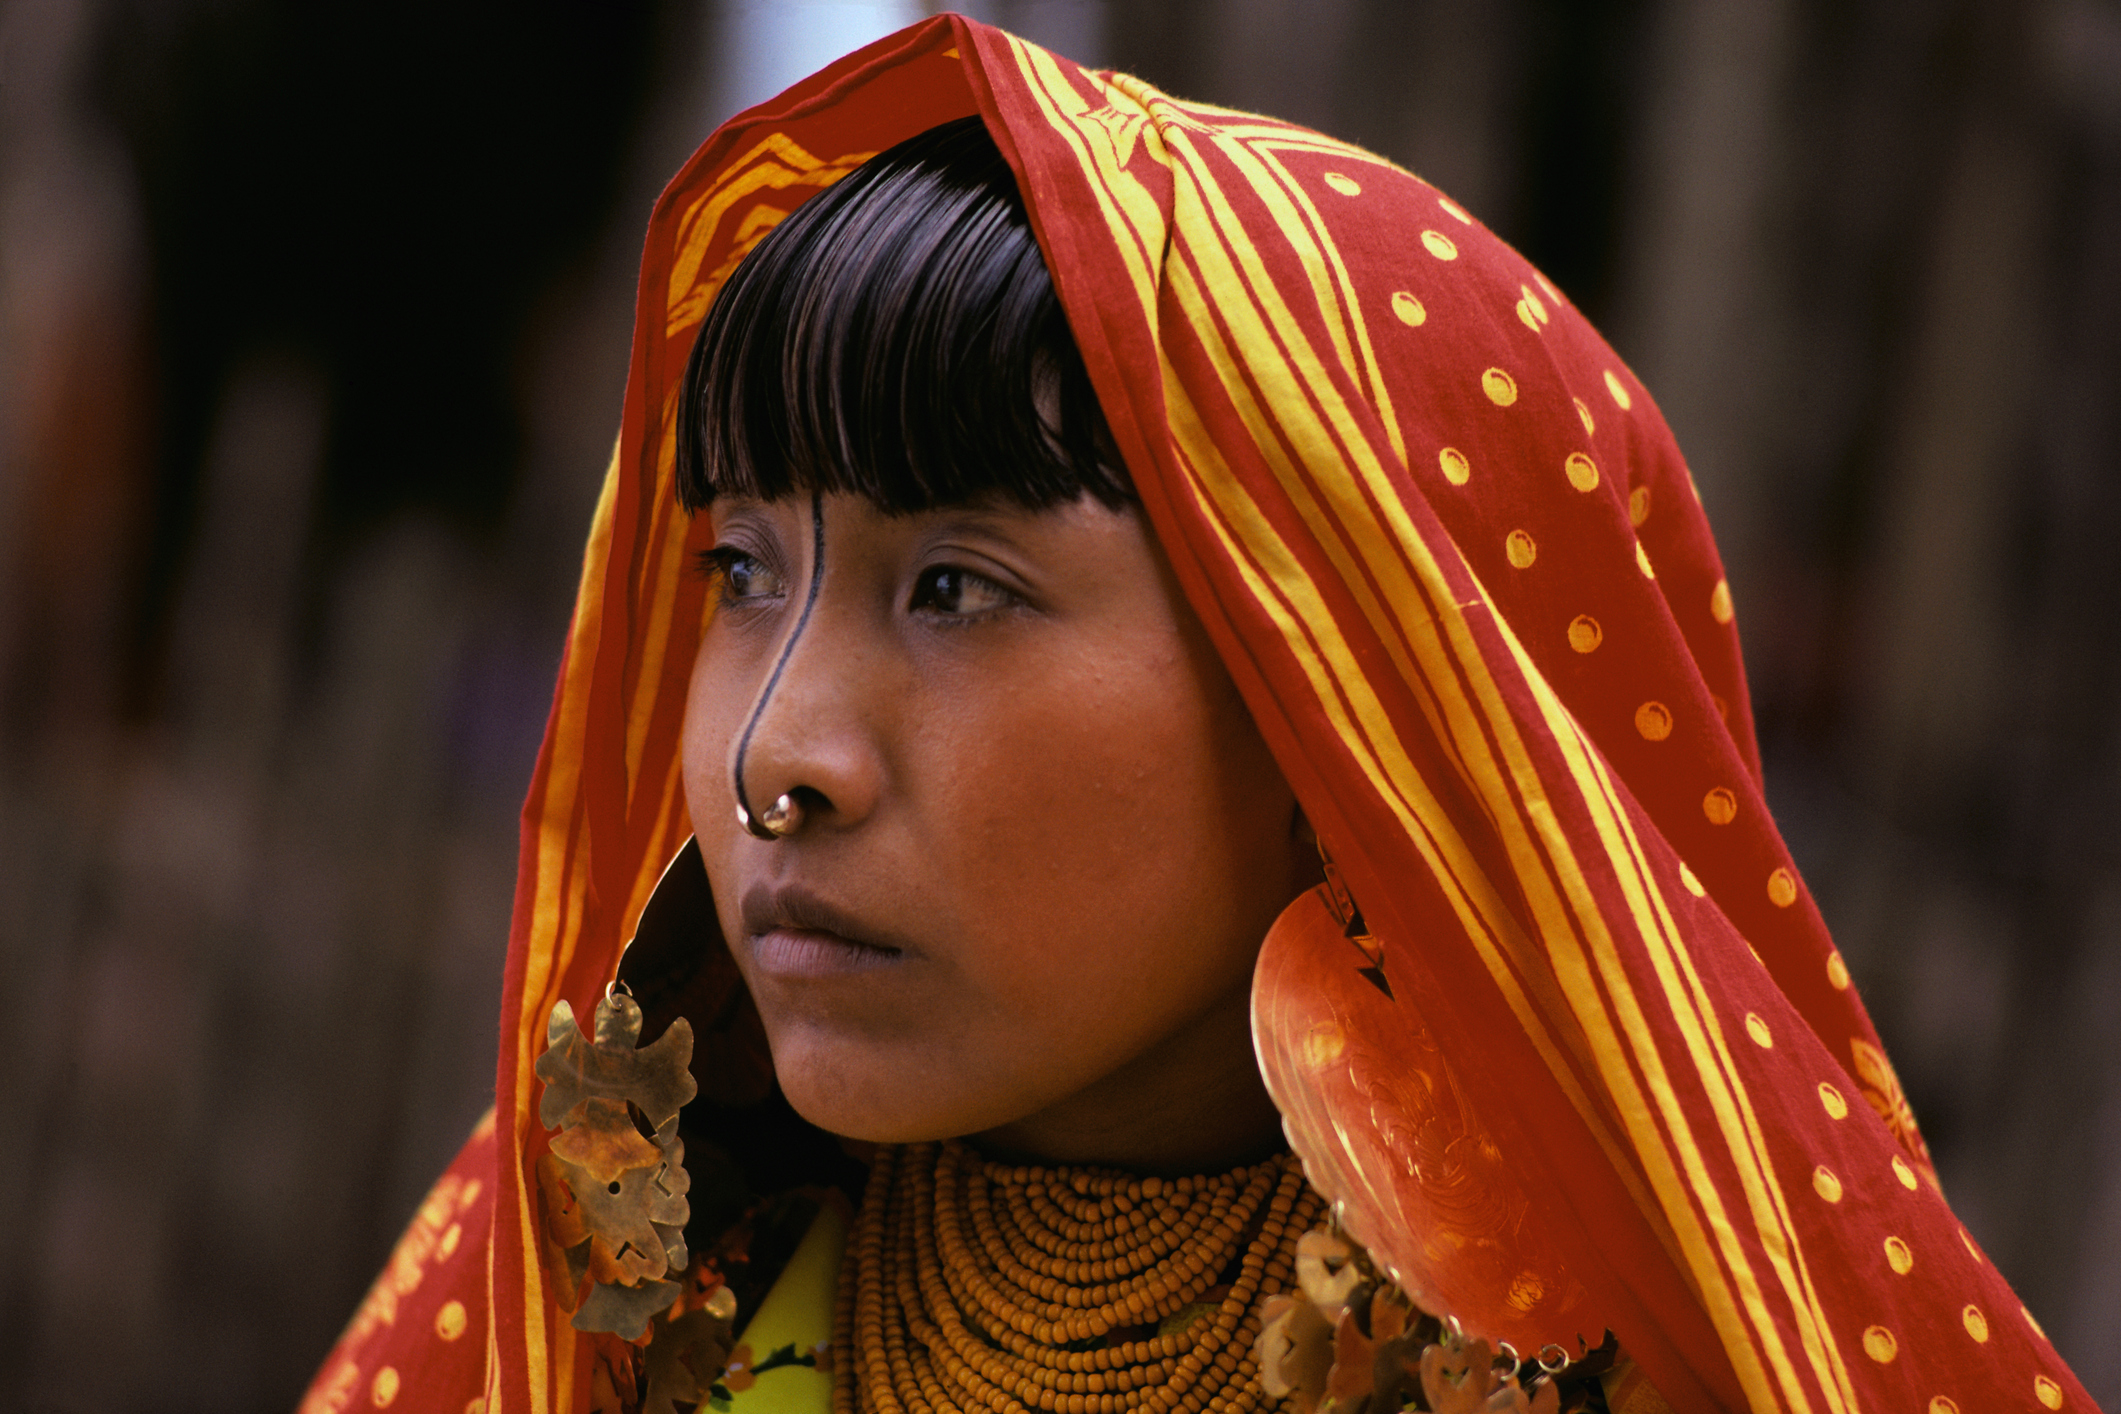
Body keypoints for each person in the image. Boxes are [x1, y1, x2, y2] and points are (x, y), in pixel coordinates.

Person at [299, 17, 2096, 1414]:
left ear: (1354, 703)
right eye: (743, 571)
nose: (776, 757)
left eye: (957, 589)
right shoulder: (567, 1320)